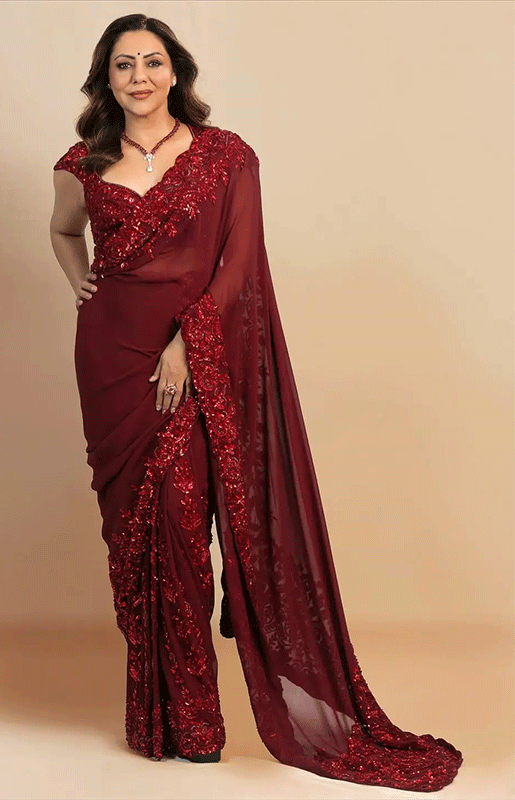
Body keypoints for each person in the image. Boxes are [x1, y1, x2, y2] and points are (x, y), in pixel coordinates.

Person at [50, 12, 463, 791]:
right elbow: (64, 233)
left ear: (177, 71)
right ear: (105, 79)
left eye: (152, 62)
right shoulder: (81, 163)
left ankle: (197, 723)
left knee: (182, 523)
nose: (139, 77)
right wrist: (81, 284)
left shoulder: (225, 157)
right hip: (109, 362)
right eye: (123, 65)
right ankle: (156, 719)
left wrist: (186, 343)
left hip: (191, 360)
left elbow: (239, 265)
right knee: (131, 541)